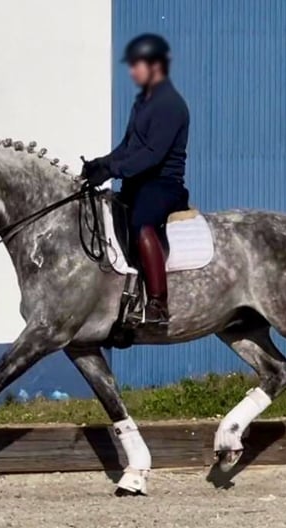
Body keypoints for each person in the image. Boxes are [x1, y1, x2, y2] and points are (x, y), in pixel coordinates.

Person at [82, 33, 190, 325]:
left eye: (137, 65)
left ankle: (158, 304)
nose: (132, 71)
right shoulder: (143, 101)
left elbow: (152, 155)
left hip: (162, 185)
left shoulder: (170, 104)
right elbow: (127, 147)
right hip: (138, 184)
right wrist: (101, 163)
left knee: (141, 225)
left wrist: (113, 171)